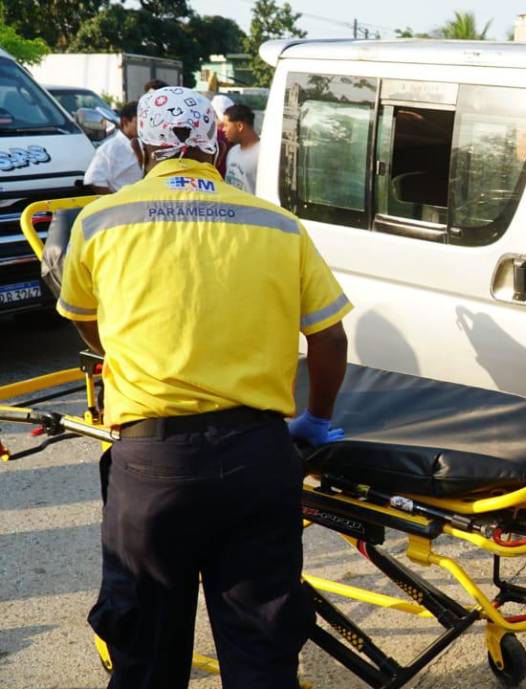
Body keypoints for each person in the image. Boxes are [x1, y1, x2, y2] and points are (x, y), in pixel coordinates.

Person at [55, 86, 351, 689]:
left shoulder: (102, 220)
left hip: (152, 465)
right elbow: (329, 339)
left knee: (146, 656)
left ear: (142, 146)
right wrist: (316, 420)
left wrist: (125, 352)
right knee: (262, 655)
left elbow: (85, 316)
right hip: (259, 460)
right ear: (218, 146)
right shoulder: (278, 224)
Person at [83, 101, 142, 194]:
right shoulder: (109, 149)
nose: (143, 127)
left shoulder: (147, 144)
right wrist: (115, 200)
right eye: (139, 122)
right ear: (125, 122)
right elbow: (94, 180)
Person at [222, 103, 260, 193]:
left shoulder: (263, 153)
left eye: (226, 125)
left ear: (240, 126)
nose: (223, 129)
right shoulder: (232, 151)